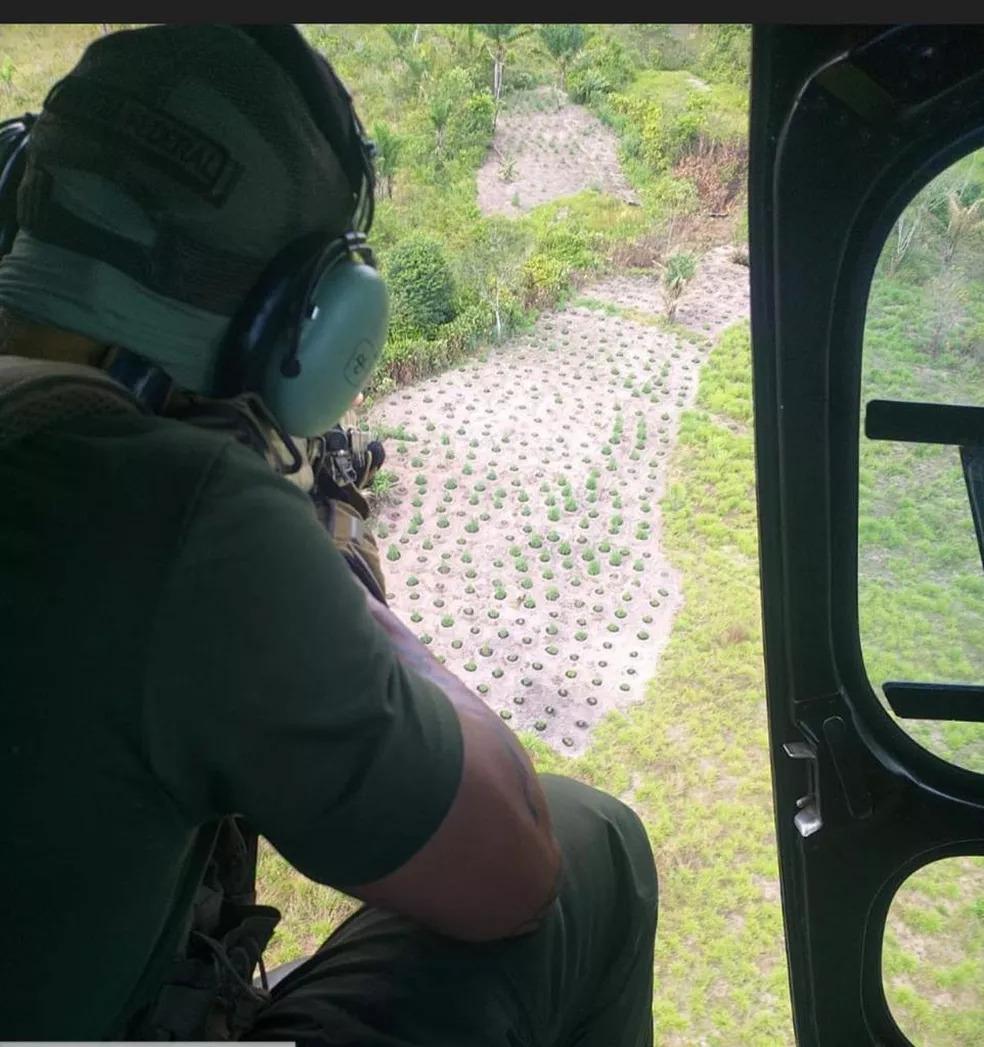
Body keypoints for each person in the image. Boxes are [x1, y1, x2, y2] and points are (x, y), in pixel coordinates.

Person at [0, 23, 658, 1046]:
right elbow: (510, 874)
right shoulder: (172, 511)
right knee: (593, 843)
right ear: (306, 320)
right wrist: (333, 574)